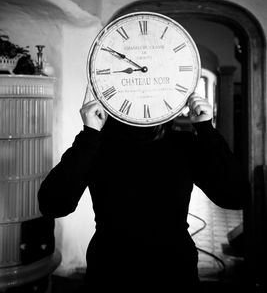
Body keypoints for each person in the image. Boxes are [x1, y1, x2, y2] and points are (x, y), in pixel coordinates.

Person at [38, 88, 247, 292]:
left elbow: (236, 195)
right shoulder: (97, 145)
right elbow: (52, 204)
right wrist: (89, 135)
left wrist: (206, 130)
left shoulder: (184, 145)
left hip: (173, 275)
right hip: (111, 276)